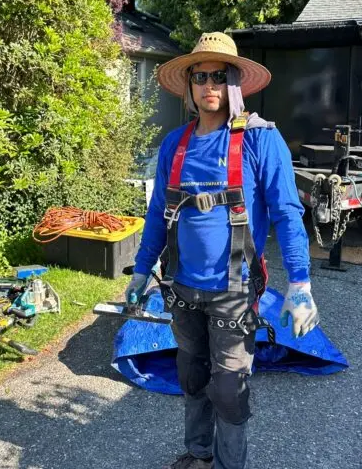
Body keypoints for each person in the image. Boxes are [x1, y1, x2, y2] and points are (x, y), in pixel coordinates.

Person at [125, 32, 320, 469]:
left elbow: (288, 214)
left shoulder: (260, 140)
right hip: (181, 289)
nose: (209, 84)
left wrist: (301, 284)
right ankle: (199, 455)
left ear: (235, 82)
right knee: (193, 379)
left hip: (233, 291)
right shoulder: (174, 144)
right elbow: (158, 214)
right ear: (190, 86)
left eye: (219, 75)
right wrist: (140, 272)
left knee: (229, 390)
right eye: (200, 76)